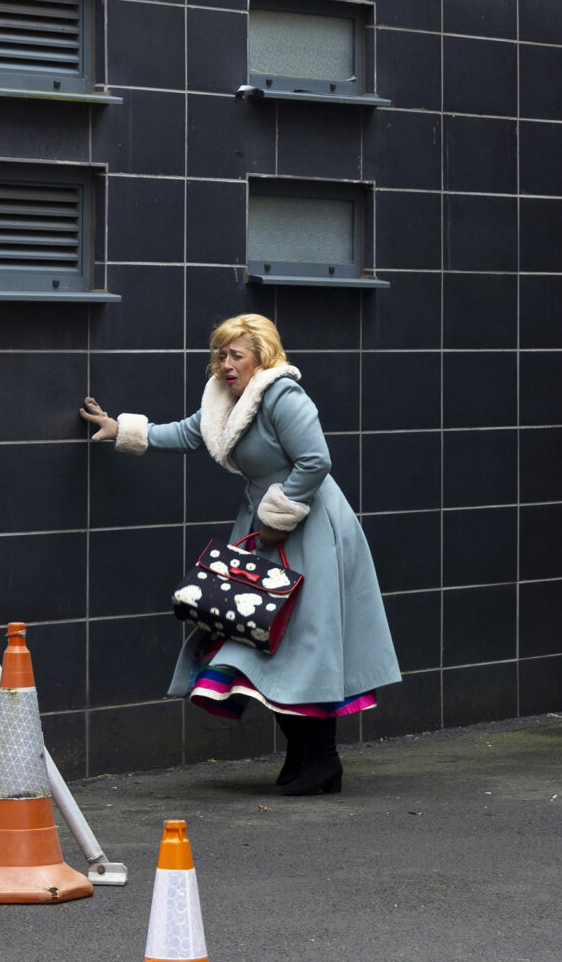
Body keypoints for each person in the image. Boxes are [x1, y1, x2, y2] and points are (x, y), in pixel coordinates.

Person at [78, 314, 399, 796]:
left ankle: (321, 760)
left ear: (262, 356)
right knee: (260, 642)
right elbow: (190, 433)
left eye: (237, 355)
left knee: (303, 645)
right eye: (222, 354)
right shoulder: (225, 398)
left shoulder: (282, 395)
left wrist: (277, 514)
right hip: (268, 530)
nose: (226, 364)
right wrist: (119, 427)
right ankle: (305, 758)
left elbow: (316, 461)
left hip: (308, 528)